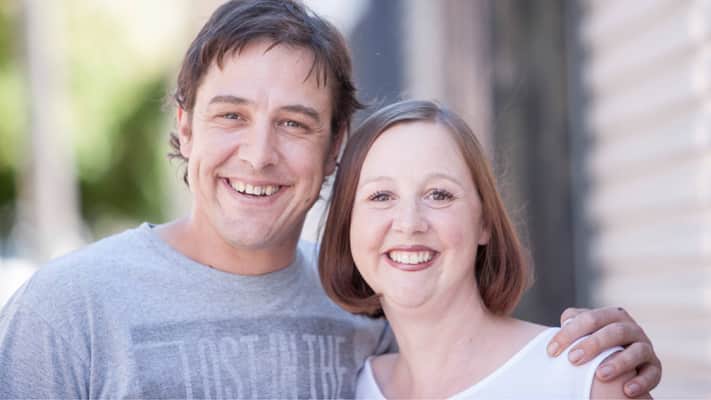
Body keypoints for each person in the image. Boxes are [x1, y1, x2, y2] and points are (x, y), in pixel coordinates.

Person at [0, 0, 660, 398]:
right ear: (186, 128)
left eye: (293, 123)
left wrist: (605, 360)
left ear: (335, 143)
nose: (258, 154)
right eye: (231, 115)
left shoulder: (368, 305)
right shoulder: (69, 310)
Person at [319, 100, 653, 399]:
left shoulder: (584, 378)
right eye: (381, 196)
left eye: (439, 194)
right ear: (346, 224)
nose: (409, 223)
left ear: (484, 222)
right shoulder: (350, 386)